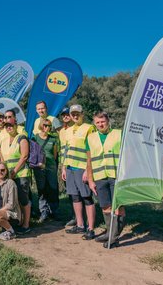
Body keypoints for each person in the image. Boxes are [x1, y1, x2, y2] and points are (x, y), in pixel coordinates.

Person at [86, 112, 124, 248]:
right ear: (94, 124)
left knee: (118, 206)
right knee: (105, 206)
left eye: (103, 121)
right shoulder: (90, 138)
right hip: (100, 177)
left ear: (108, 121)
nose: (101, 124)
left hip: (116, 176)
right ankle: (110, 233)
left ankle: (113, 238)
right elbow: (89, 161)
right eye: (98, 122)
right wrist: (90, 180)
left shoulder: (119, 134)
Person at [61, 104, 96, 240]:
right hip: (70, 167)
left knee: (86, 197)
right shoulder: (68, 130)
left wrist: (88, 170)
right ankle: (80, 225)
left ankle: (91, 228)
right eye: (73, 114)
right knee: (75, 197)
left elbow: (92, 150)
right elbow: (66, 150)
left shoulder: (89, 128)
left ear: (82, 114)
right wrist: (64, 167)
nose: (75, 116)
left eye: (77, 114)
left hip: (82, 168)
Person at [0, 121, 31, 234]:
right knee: (13, 200)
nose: (9, 128)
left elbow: (24, 156)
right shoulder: (3, 141)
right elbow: (2, 159)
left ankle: (26, 224)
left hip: (21, 174)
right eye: (7, 126)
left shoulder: (21, 138)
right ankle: (19, 221)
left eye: (11, 125)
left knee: (23, 199)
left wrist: (14, 171)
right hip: (8, 175)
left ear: (16, 126)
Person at [33, 118, 60, 223]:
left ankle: (54, 210)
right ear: (41, 125)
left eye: (49, 126)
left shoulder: (53, 139)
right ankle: (43, 211)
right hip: (39, 168)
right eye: (44, 125)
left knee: (53, 188)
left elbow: (54, 155)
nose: (47, 127)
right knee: (42, 189)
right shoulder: (35, 138)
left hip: (51, 167)